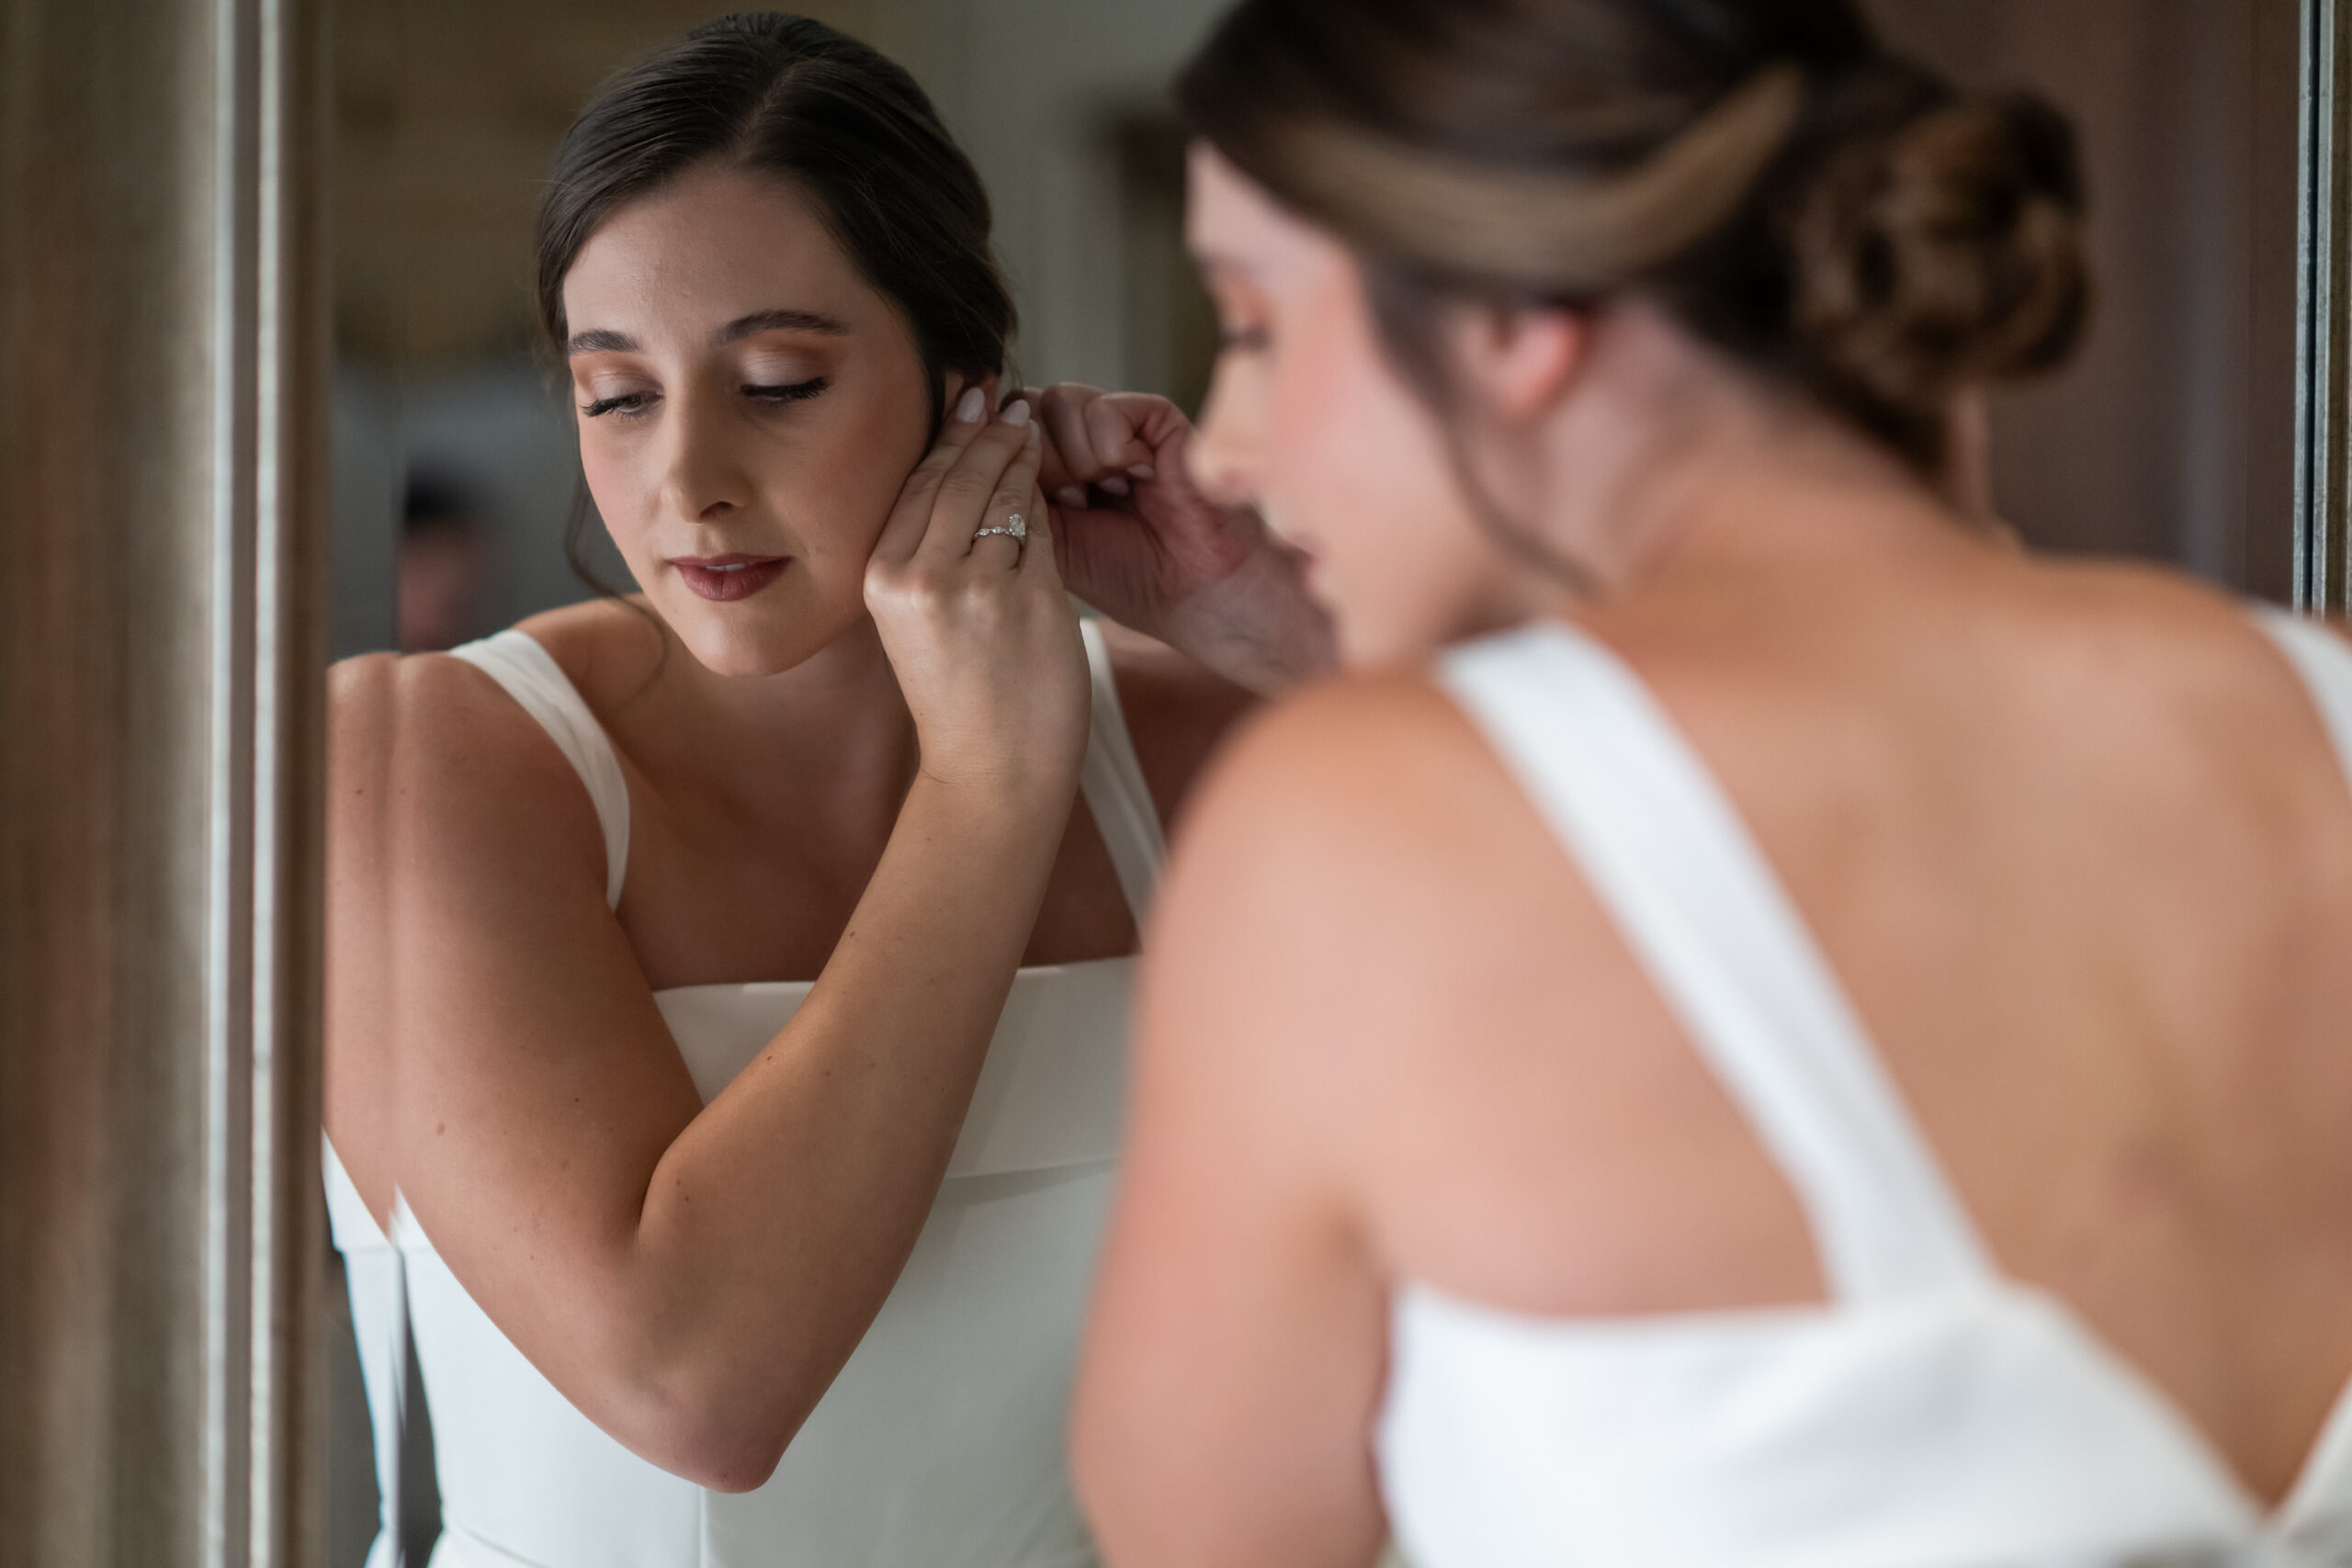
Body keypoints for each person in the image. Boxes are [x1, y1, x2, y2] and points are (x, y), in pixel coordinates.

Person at [1073, 2, 2352, 1565]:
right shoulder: (2313, 720)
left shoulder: (1359, 836)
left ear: (1510, 316)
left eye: (1260, 322)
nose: (1225, 447)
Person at [321, 15, 1312, 1567]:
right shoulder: (432, 758)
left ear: (963, 388)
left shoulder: (1183, 748)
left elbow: (1675, 912)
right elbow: (692, 1381)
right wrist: (990, 789)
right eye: (618, 394)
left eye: (777, 382)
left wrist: (1262, 621)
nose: (689, 478)